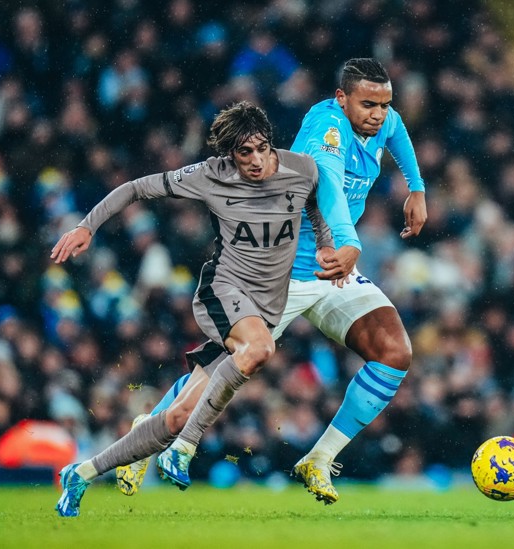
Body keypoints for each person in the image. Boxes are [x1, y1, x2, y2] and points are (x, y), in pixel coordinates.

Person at [133, 58, 427, 505]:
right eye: (369, 104)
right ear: (341, 99)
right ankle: (147, 435)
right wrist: (349, 240)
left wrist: (417, 187)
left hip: (330, 273)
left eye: (385, 104)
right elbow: (326, 179)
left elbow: (399, 132)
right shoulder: (327, 127)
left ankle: (320, 459)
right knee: (221, 372)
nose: (379, 114)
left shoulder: (380, 119)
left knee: (394, 352)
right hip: (281, 269)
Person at [53, 101, 360, 517]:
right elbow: (135, 188)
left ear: (272, 143)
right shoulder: (210, 175)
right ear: (228, 154)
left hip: (265, 306)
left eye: (261, 149)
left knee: (178, 415)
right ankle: (184, 450)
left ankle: (83, 473)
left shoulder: (302, 169)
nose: (254, 161)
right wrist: (86, 225)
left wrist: (325, 242)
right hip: (223, 290)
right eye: (243, 153)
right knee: (260, 349)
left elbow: (313, 207)